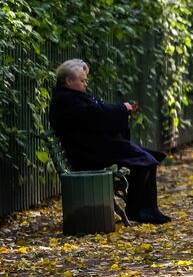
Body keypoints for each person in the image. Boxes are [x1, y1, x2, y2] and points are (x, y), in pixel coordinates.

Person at [47, 58, 171, 224]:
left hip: (95, 147)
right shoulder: (65, 100)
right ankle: (138, 210)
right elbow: (96, 115)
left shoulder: (70, 96)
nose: (85, 84)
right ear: (69, 81)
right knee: (145, 161)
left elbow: (96, 113)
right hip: (89, 153)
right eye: (82, 80)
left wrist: (122, 110)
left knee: (148, 158)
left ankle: (149, 209)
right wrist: (122, 109)